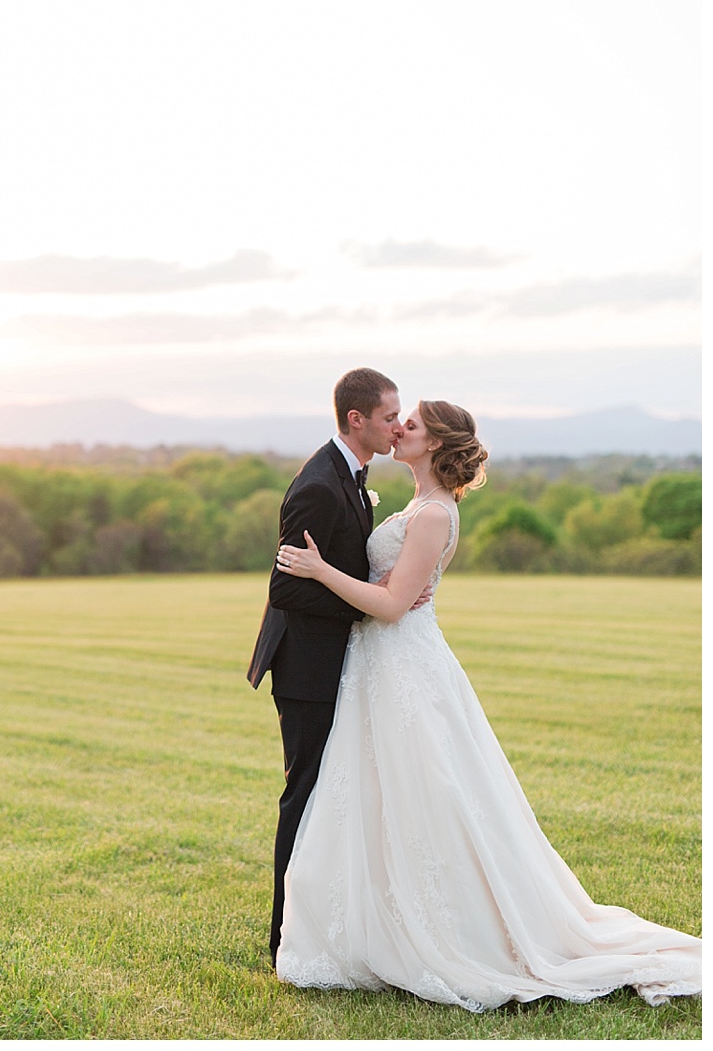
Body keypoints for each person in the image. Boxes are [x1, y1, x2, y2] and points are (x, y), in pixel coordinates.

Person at [272, 400, 701, 1009]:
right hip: (379, 667)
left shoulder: (433, 515)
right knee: (376, 794)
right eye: (397, 419)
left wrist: (318, 570)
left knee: (428, 795)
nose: (399, 429)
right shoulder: (417, 506)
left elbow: (393, 606)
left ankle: (449, 932)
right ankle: (371, 923)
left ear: (436, 442)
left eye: (411, 424)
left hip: (403, 665)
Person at [246, 367, 402, 965]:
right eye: (389, 417)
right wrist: (370, 606)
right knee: (305, 794)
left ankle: (329, 923)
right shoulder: (317, 484)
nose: (397, 425)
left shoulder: (353, 475)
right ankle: (285, 936)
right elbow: (285, 591)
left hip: (335, 658)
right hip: (307, 666)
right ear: (356, 420)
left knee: (331, 793)